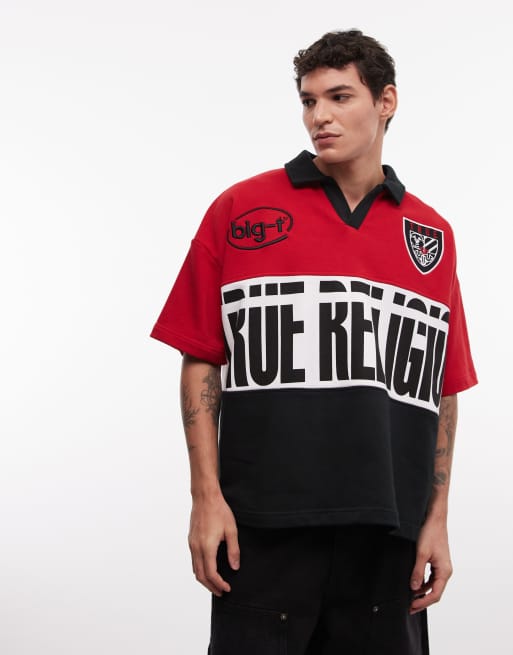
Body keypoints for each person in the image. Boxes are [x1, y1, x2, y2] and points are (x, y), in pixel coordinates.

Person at [151, 29, 477, 655]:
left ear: (386, 101)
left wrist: (436, 518)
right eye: (308, 100)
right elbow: (201, 359)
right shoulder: (241, 208)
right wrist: (205, 498)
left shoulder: (430, 233)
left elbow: (441, 386)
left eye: (339, 97)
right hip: (263, 527)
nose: (318, 116)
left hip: (388, 534)